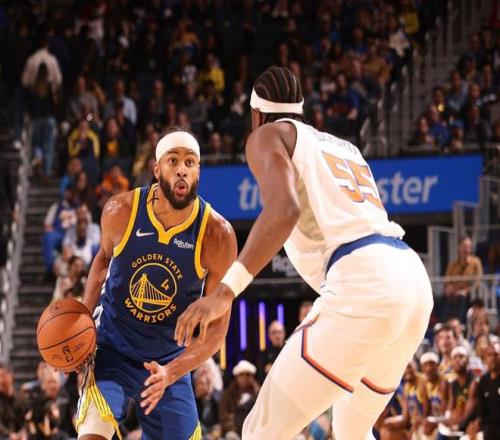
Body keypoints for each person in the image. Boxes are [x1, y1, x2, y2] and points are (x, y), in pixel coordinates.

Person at [175, 66, 434, 439]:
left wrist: (224, 293)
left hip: (364, 281)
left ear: (256, 114)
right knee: (353, 430)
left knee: (260, 431)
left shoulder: (266, 135)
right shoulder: (345, 147)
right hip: (411, 280)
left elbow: (284, 209)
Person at [75, 128, 237, 439]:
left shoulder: (217, 235)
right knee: (92, 433)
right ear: (157, 169)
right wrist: (81, 324)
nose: (182, 169)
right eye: (173, 160)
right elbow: (102, 263)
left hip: (167, 360)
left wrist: (171, 372)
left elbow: (217, 330)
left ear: (198, 172)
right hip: (113, 346)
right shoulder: (121, 211)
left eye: (190, 162)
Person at [218, 361, 260, 439]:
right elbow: (224, 417)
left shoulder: (259, 394)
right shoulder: (227, 395)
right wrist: (235, 430)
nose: (244, 378)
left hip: (253, 432)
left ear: (252, 376)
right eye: (241, 375)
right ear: (236, 377)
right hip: (233, 432)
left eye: (247, 375)